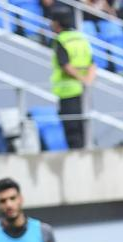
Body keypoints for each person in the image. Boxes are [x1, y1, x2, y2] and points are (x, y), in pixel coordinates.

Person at [50, 10, 96, 150]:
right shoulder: (81, 38)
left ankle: (77, 156)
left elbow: (65, 65)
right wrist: (88, 80)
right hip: (84, 91)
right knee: (84, 126)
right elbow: (92, 63)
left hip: (67, 90)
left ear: (57, 23)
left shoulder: (61, 40)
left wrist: (81, 79)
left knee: (72, 128)